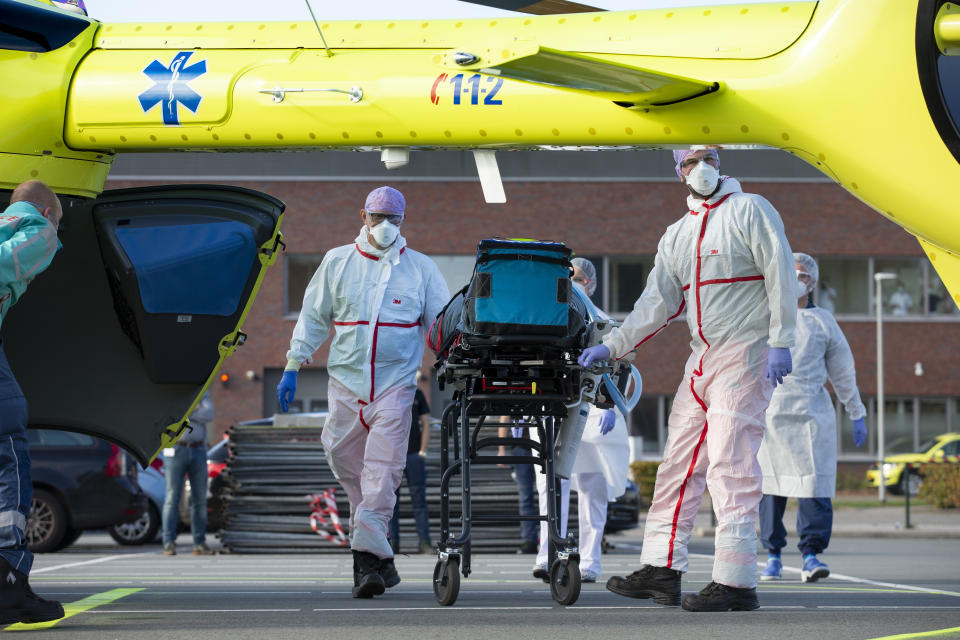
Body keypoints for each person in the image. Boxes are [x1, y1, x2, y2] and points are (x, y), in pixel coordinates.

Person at [579, 147, 797, 612]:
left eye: (708, 157)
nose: (701, 168)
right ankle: (661, 570)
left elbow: (780, 271)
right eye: (689, 161)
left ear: (719, 162)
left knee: (730, 464)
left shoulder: (749, 209)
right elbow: (657, 302)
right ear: (679, 172)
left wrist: (782, 339)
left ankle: (736, 583)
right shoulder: (677, 234)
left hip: (745, 351)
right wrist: (614, 344)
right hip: (701, 360)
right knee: (676, 466)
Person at [277, 186, 449, 598]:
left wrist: (453, 360)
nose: (386, 226)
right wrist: (292, 364)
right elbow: (314, 317)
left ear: (403, 221)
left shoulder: (421, 269)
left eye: (394, 218)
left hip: (396, 386)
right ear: (363, 216)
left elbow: (442, 326)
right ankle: (381, 557)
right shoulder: (337, 262)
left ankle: (366, 568)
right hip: (345, 384)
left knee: (383, 473)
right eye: (378, 217)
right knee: (343, 459)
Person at [757, 253, 867, 583]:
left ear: (813, 282)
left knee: (813, 485)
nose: (797, 280)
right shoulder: (766, 317)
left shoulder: (824, 323)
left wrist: (856, 411)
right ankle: (772, 556)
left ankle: (810, 555)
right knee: (770, 488)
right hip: (770, 412)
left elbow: (843, 371)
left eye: (803, 275)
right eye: (791, 274)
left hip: (812, 415)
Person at [531, 258, 630, 584]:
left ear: (590, 283)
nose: (571, 281)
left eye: (577, 277)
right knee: (551, 484)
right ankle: (547, 551)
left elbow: (622, 366)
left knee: (591, 488)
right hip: (552, 410)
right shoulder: (546, 317)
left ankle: (590, 561)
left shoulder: (602, 321)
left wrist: (610, 407)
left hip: (589, 413)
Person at [0, 180, 64, 624]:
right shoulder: (37, 224)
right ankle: (9, 581)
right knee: (9, 445)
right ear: (44, 207)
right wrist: (50, 228)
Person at [162, 390, 214, 556]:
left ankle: (199, 543)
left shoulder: (202, 392)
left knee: (199, 499)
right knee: (172, 498)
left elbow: (209, 413)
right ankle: (168, 542)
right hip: (176, 448)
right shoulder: (173, 392)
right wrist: (195, 410)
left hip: (199, 449)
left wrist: (187, 412)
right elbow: (172, 414)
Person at [388, 370, 433, 554]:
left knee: (419, 501)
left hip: (414, 455)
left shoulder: (418, 394)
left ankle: (424, 542)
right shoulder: (389, 394)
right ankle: (392, 543)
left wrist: (423, 450)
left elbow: (426, 423)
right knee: (391, 503)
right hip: (393, 457)